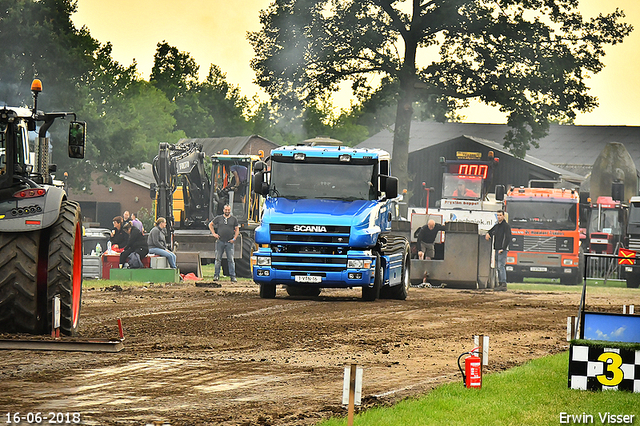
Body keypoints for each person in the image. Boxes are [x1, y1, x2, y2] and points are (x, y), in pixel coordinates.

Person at [208, 204, 240, 282]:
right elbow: (210, 224)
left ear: (230, 210)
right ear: (223, 210)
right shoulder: (218, 218)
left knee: (231, 260)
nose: (227, 211)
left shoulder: (234, 219)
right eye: (226, 210)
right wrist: (214, 234)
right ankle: (216, 276)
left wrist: (234, 238)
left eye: (228, 210)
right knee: (218, 259)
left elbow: (237, 229)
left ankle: (233, 277)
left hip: (229, 242)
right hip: (220, 241)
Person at [485, 210, 512, 291]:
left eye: (500, 215)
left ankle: (503, 283)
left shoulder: (506, 226)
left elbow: (508, 238)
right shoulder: (497, 226)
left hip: (502, 249)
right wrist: (488, 234)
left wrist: (503, 248)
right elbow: (491, 231)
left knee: (501, 266)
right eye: (498, 215)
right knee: (498, 267)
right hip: (496, 249)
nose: (499, 217)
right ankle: (500, 283)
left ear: (503, 216)